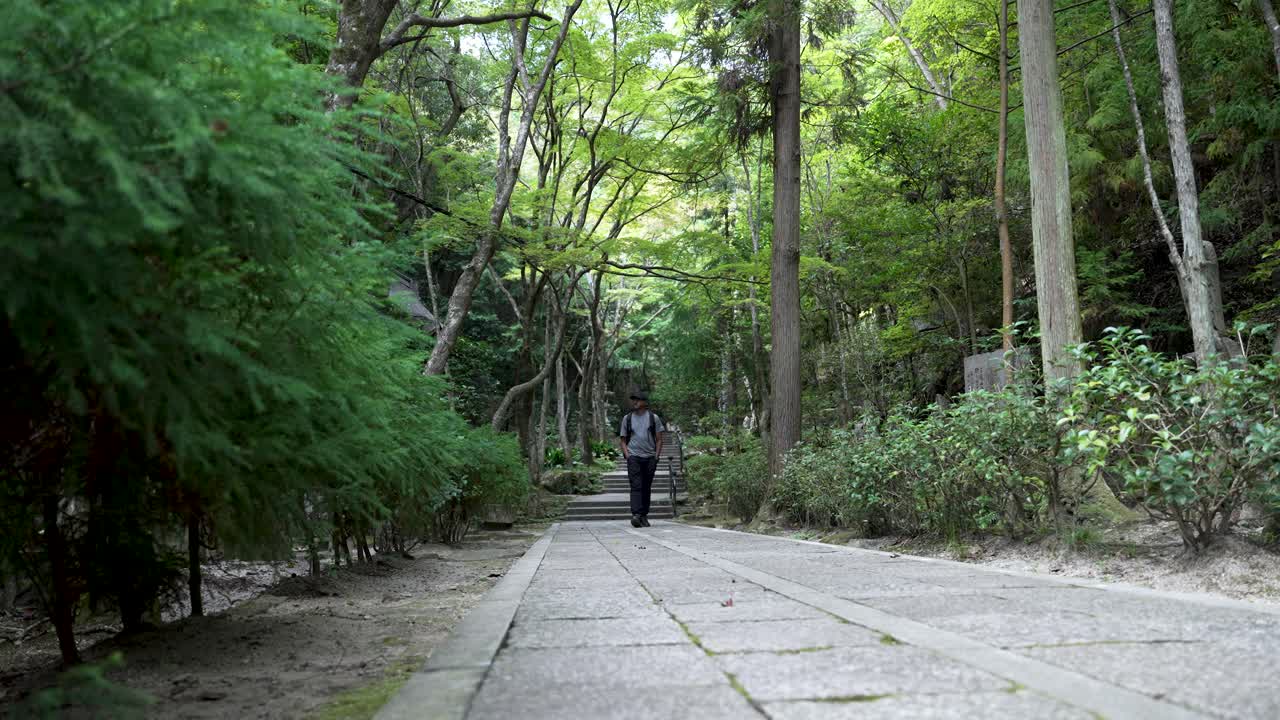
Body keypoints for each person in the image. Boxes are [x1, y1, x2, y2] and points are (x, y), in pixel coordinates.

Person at [618, 391, 665, 528]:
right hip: (634, 457)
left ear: (644, 402)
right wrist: (627, 455)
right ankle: (636, 515)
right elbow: (622, 440)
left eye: (637, 400)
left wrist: (656, 456)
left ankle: (644, 515)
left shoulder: (653, 418)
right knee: (636, 485)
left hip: (650, 457)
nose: (634, 402)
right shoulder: (627, 418)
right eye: (633, 400)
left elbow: (659, 439)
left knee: (646, 486)